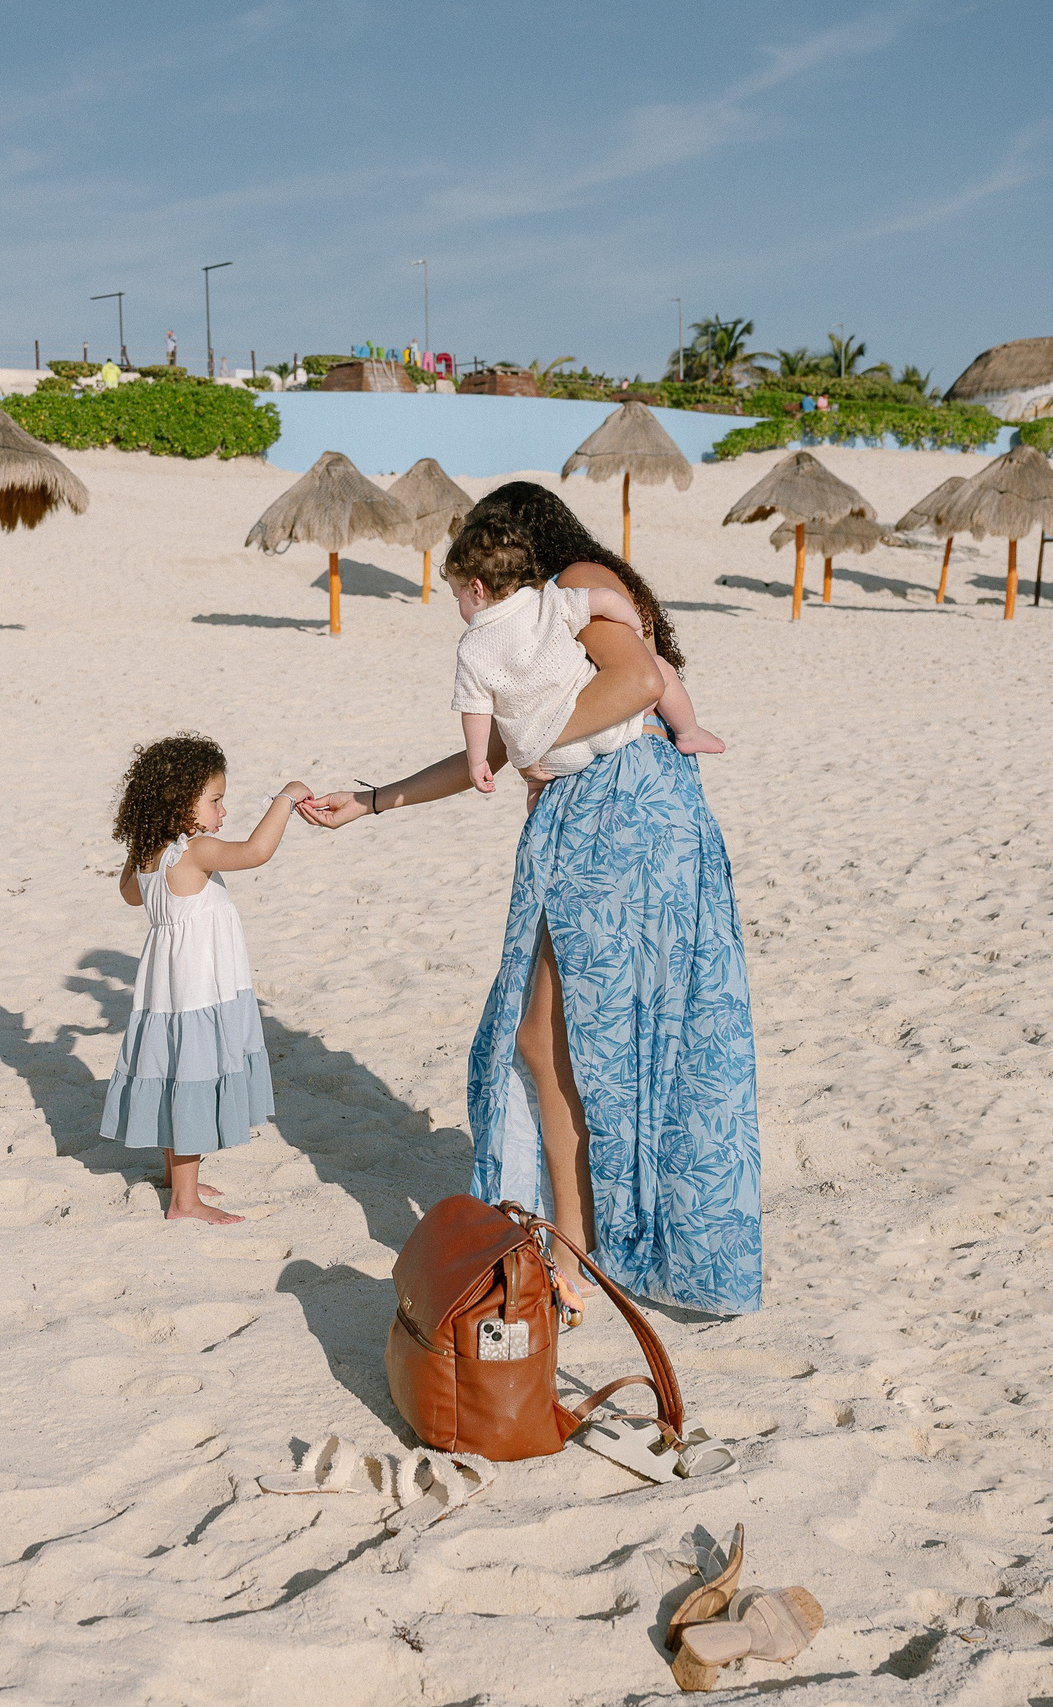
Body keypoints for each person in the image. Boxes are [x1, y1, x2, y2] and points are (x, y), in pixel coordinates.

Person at [299, 481, 761, 1320]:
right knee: (567, 1041)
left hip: (631, 817)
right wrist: (372, 800)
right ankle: (581, 1244)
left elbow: (633, 685)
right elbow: (508, 741)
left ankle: (581, 1251)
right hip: (596, 819)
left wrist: (540, 741)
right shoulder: (529, 625)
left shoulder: (571, 583)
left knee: (565, 1038)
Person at [102, 734, 310, 1224]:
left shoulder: (152, 852)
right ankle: (185, 1202)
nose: (222, 811)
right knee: (192, 1075)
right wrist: (286, 796)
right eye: (215, 800)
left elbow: (131, 895)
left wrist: (139, 845)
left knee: (173, 1069)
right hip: (197, 986)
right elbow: (257, 852)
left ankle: (177, 1178)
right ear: (180, 805)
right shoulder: (193, 851)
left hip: (165, 986)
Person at [445, 510, 646, 795]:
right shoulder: (546, 600)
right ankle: (688, 731)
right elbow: (603, 599)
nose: (458, 606)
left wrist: (477, 762)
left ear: (476, 589)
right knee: (660, 668)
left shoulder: (470, 648)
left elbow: (475, 710)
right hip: (605, 723)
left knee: (537, 790)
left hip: (547, 755)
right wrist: (634, 626)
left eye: (457, 596)